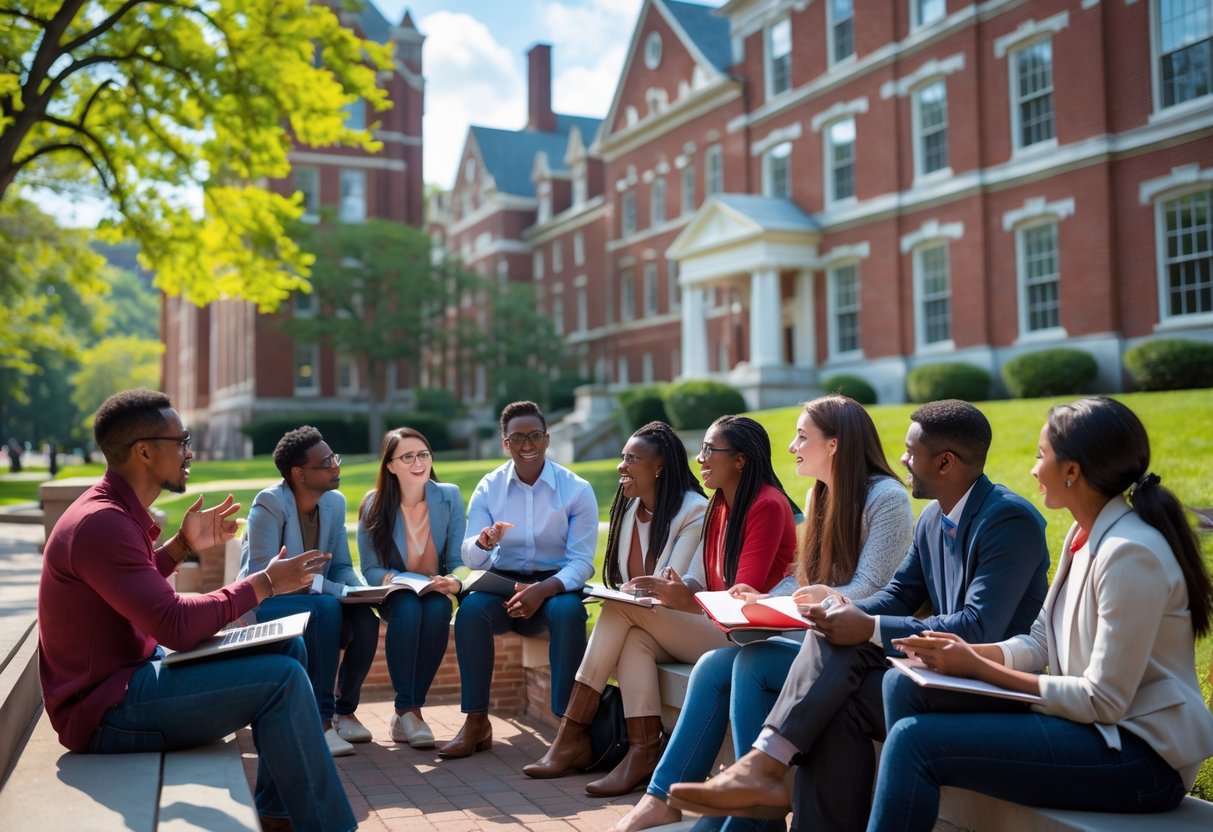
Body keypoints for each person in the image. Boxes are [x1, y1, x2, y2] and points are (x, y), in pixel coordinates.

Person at [667, 399, 1051, 832]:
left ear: (945, 462)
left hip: (990, 685)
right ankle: (765, 775)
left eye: (911, 450)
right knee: (835, 668)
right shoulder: (931, 520)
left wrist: (865, 626)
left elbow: (980, 626)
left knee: (839, 662)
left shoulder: (1008, 519)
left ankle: (762, 769)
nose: (902, 459)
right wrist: (831, 614)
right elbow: (897, 595)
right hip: (933, 672)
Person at [868, 396, 1213, 832]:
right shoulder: (1082, 533)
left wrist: (978, 666)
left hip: (1141, 760)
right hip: (1093, 732)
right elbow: (1039, 641)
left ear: (1072, 471)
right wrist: (966, 652)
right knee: (903, 682)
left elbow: (1102, 700)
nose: (1033, 469)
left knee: (914, 742)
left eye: (1040, 456)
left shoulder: (1129, 553)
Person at [37, 388, 353, 832]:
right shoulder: (101, 523)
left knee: (289, 650)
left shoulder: (110, 514)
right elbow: (177, 626)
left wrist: (181, 546)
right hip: (105, 713)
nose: (190, 452)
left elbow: (130, 588)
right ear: (144, 451)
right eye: (182, 441)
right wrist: (265, 583)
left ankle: (275, 816)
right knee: (281, 680)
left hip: (129, 680)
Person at [615, 394, 914, 831]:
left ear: (833, 445)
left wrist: (800, 598)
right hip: (816, 634)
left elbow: (869, 589)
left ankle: (749, 817)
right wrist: (764, 597)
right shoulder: (820, 497)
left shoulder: (886, 498)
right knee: (713, 665)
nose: (792, 446)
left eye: (801, 436)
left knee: (752, 664)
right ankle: (664, 797)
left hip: (857, 648)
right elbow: (805, 577)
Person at [521, 420, 712, 793]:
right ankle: (642, 750)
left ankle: (570, 734)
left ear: (659, 466)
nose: (621, 466)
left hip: (700, 627)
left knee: (617, 610)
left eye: (631, 459)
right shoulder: (629, 510)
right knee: (631, 640)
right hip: (654, 628)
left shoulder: (694, 510)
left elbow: (675, 591)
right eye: (622, 457)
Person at [440, 400, 599, 758]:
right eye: (518, 438)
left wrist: (542, 590)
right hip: (503, 585)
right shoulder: (489, 487)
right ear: (505, 443)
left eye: (535, 436)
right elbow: (469, 557)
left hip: (556, 585)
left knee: (568, 614)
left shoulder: (576, 490)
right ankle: (476, 720)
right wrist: (483, 541)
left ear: (547, 439)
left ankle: (566, 726)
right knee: (470, 612)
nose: (527, 445)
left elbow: (581, 563)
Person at [239, 425, 380, 757]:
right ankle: (320, 723)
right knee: (327, 610)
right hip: (263, 607)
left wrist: (360, 591)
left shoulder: (333, 502)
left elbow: (342, 564)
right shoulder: (270, 504)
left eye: (335, 458)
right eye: (326, 462)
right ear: (299, 473)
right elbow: (265, 577)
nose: (336, 466)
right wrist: (334, 591)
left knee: (365, 620)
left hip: (313, 603)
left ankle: (345, 712)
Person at [357, 427, 465, 748]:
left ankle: (407, 712)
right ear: (390, 465)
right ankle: (408, 709)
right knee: (407, 607)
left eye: (424, 454)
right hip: (396, 592)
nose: (419, 462)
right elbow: (369, 567)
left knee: (438, 609)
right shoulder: (373, 504)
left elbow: (458, 559)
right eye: (407, 457)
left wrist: (453, 581)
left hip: (434, 588)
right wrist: (390, 579)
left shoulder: (449, 496)